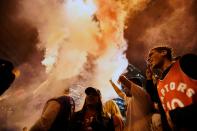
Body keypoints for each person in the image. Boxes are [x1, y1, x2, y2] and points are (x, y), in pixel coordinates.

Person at [146, 46, 197, 130]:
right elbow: (155, 100)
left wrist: (178, 115)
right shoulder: (159, 83)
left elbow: (171, 116)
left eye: (151, 54)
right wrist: (149, 79)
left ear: (164, 52)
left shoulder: (186, 62)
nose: (149, 59)